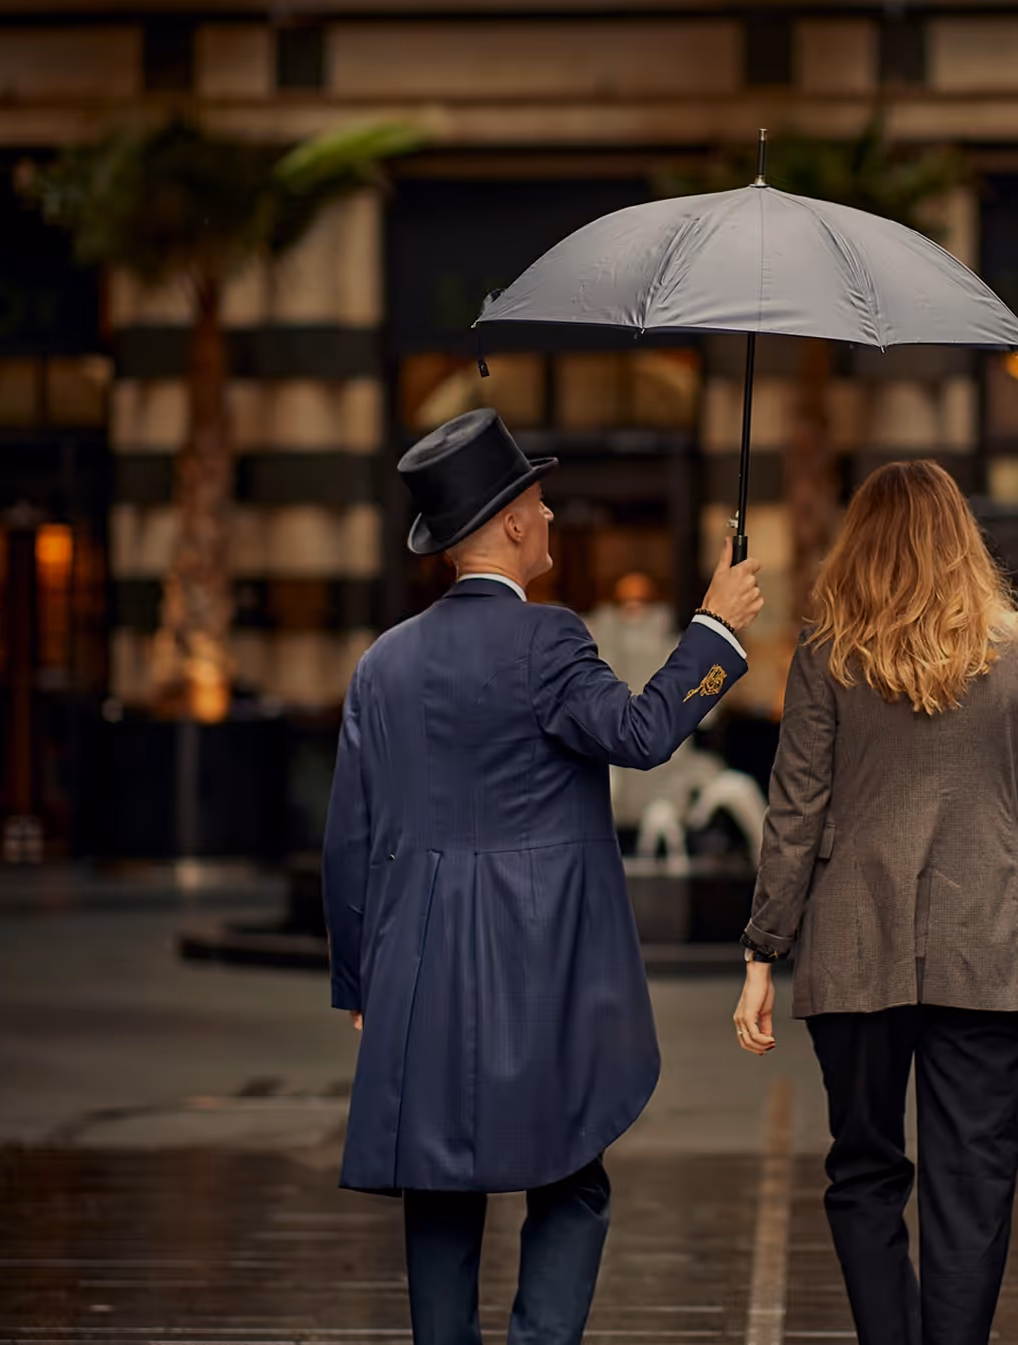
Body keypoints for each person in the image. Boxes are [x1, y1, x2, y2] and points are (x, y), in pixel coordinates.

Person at [322, 407, 763, 1345]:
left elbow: (350, 838)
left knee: (438, 1191)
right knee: (570, 1174)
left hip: (419, 964)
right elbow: (643, 735)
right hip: (537, 962)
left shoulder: (380, 665)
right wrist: (716, 630)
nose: (554, 516)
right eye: (543, 500)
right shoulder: (550, 642)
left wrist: (362, 976)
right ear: (514, 520)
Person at [734, 459, 1018, 1345]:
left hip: (856, 948)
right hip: (994, 948)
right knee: (973, 1181)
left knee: (862, 1169)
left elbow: (795, 808)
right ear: (960, 540)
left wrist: (762, 953)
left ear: (862, 545)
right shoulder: (1017, 652)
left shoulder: (826, 652)